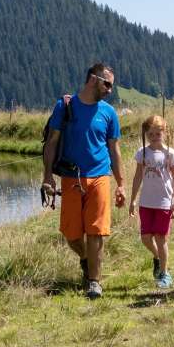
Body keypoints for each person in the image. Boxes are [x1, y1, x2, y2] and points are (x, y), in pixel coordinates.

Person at [42, 62, 126, 299]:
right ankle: (86, 259)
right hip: (71, 177)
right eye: (107, 84)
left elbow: (114, 150)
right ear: (93, 79)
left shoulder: (109, 113)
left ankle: (94, 282)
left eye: (112, 85)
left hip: (100, 175)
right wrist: (48, 176)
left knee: (97, 231)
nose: (110, 90)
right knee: (72, 235)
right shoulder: (65, 106)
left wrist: (121, 183)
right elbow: (52, 142)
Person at [127, 114, 174, 290]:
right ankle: (157, 257)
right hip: (146, 202)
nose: (155, 137)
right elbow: (137, 176)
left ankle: (165, 273)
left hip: (164, 202)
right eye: (151, 134)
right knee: (145, 238)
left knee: (161, 237)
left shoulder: (170, 153)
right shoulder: (142, 153)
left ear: (164, 132)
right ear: (145, 134)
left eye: (158, 133)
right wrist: (132, 199)